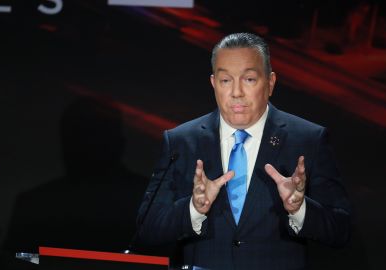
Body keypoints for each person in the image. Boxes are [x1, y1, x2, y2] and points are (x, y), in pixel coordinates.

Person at [134, 32, 351, 270]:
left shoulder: (308, 140)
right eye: (226, 80)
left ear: (270, 83)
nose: (236, 92)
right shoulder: (181, 142)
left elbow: (340, 230)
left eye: (249, 79)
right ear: (214, 83)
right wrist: (193, 209)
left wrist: (300, 209)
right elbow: (147, 229)